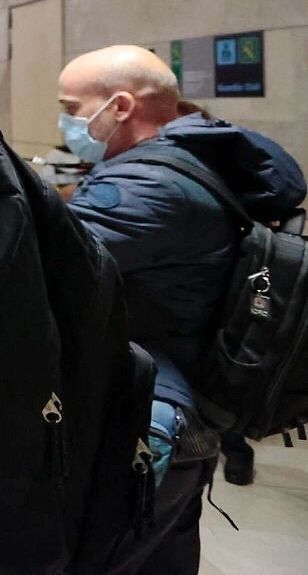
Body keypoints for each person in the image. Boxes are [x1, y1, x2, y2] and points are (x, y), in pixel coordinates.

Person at [59, 46, 305, 573]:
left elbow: (40, 274)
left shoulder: (142, 186)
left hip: (150, 418)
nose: (66, 122)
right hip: (186, 412)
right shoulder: (192, 155)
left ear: (120, 106)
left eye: (72, 108)